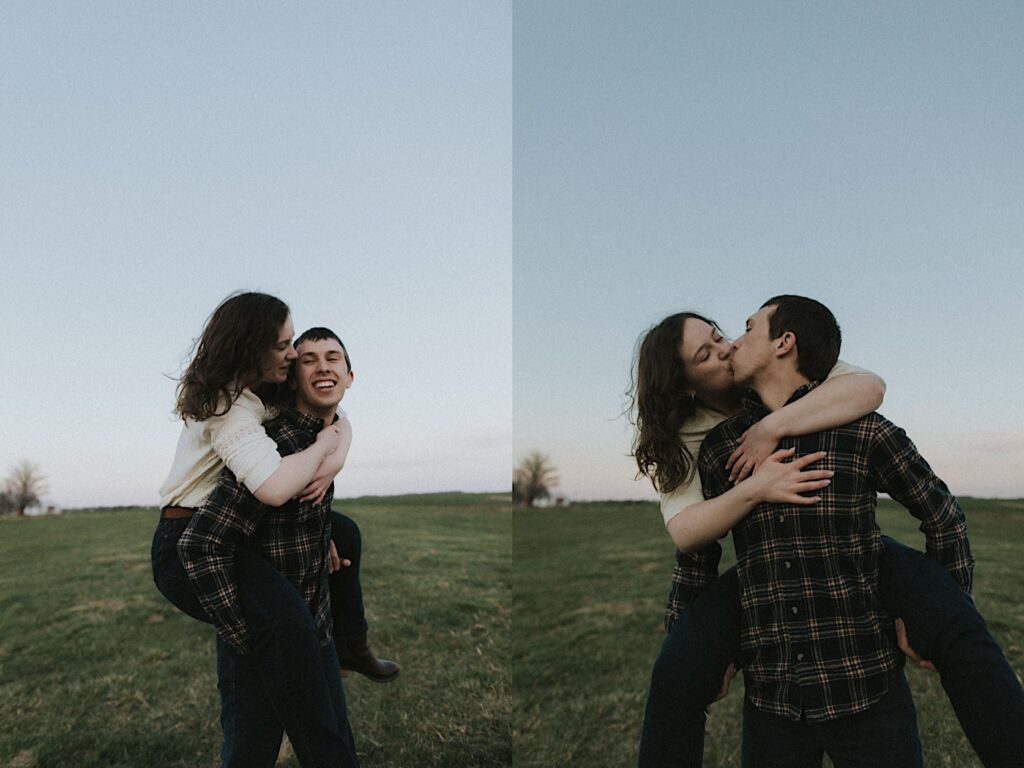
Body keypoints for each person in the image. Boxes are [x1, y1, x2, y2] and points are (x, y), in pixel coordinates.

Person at [632, 303, 1024, 767]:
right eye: (707, 352)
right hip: (776, 694)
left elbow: (939, 510)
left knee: (961, 631)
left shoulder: (852, 416)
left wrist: (940, 611)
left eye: (734, 332)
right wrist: (692, 654)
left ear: (785, 342)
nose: (731, 343)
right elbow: (694, 546)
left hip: (866, 680)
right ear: (686, 384)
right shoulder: (712, 449)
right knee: (674, 673)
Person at [151, 291, 397, 679]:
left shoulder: (266, 390)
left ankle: (351, 644)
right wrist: (322, 449)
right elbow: (274, 487)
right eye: (284, 345)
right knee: (276, 636)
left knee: (342, 532)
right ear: (252, 349)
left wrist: (336, 455)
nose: (293, 355)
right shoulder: (227, 405)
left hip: (240, 525)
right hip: (193, 535)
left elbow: (337, 413)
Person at [178, 326, 362, 767]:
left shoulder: (324, 435)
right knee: (251, 756)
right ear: (292, 378)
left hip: (315, 628)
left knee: (336, 746)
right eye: (308, 359)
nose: (322, 367)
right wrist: (242, 635)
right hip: (263, 632)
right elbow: (202, 543)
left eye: (333, 358)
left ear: (350, 377)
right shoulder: (275, 446)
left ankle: (357, 645)